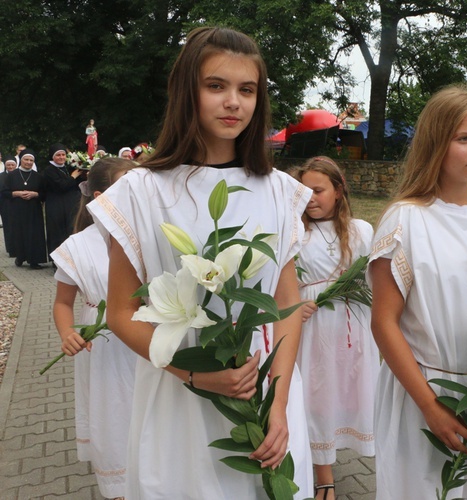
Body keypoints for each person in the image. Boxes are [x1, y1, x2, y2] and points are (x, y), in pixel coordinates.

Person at [87, 26, 314, 498]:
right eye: (216, 86)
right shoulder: (141, 192)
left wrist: (280, 401)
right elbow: (121, 313)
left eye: (246, 89)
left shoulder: (278, 191)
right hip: (179, 398)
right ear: (186, 92)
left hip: (263, 393)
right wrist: (192, 372)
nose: (234, 101)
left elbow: (286, 303)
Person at [368, 86, 467, 499]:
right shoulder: (406, 221)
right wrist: (430, 407)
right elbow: (384, 323)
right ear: (435, 142)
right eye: (464, 139)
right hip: (423, 391)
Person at [291, 156, 378, 500]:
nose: (310, 198)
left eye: (318, 190)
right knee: (317, 394)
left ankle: (365, 452)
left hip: (354, 323)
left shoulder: (361, 230)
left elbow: (373, 278)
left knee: (354, 387)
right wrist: (296, 303)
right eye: (304, 192)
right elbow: (283, 283)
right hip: (313, 329)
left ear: (339, 190)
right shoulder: (297, 233)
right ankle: (323, 473)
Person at [50, 157, 136, 499]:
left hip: (149, 340)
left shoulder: (154, 236)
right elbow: (61, 302)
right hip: (103, 346)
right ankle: (119, 488)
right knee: (114, 412)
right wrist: (67, 332)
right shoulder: (78, 247)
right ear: (100, 197)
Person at [3, 148, 47, 268]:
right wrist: (17, 193)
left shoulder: (38, 176)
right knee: (20, 234)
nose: (28, 162)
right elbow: (4, 192)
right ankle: (20, 257)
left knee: (34, 235)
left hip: (33, 210)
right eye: (26, 159)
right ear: (21, 160)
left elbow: (44, 193)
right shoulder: (12, 175)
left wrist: (35, 194)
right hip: (17, 209)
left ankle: (34, 261)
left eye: (31, 160)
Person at [42, 143, 85, 257]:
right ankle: (56, 261)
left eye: (63, 155)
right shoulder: (49, 171)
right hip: (56, 207)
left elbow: (76, 185)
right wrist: (73, 177)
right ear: (52, 156)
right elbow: (61, 186)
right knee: (57, 234)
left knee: (70, 232)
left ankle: (70, 258)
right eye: (58, 155)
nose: (61, 157)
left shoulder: (67, 168)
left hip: (69, 206)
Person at [0, 158, 18, 249]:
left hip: (18, 204)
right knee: (8, 227)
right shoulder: (1, 176)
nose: (10, 167)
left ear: (16, 165)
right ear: (5, 166)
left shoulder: (19, 175)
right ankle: (11, 248)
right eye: (8, 165)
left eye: (12, 165)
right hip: (5, 204)